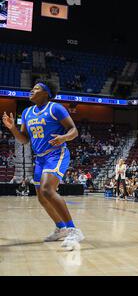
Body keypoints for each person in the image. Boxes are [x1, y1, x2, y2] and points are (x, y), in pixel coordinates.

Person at [2, 80, 84, 249]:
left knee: (47, 190)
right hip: (40, 158)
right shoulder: (27, 112)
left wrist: (63, 138)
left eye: (36, 89)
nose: (31, 91)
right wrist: (12, 128)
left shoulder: (55, 108)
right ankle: (61, 228)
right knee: (41, 196)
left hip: (56, 153)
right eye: (32, 88)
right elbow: (24, 139)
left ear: (46, 93)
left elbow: (73, 130)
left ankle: (73, 230)